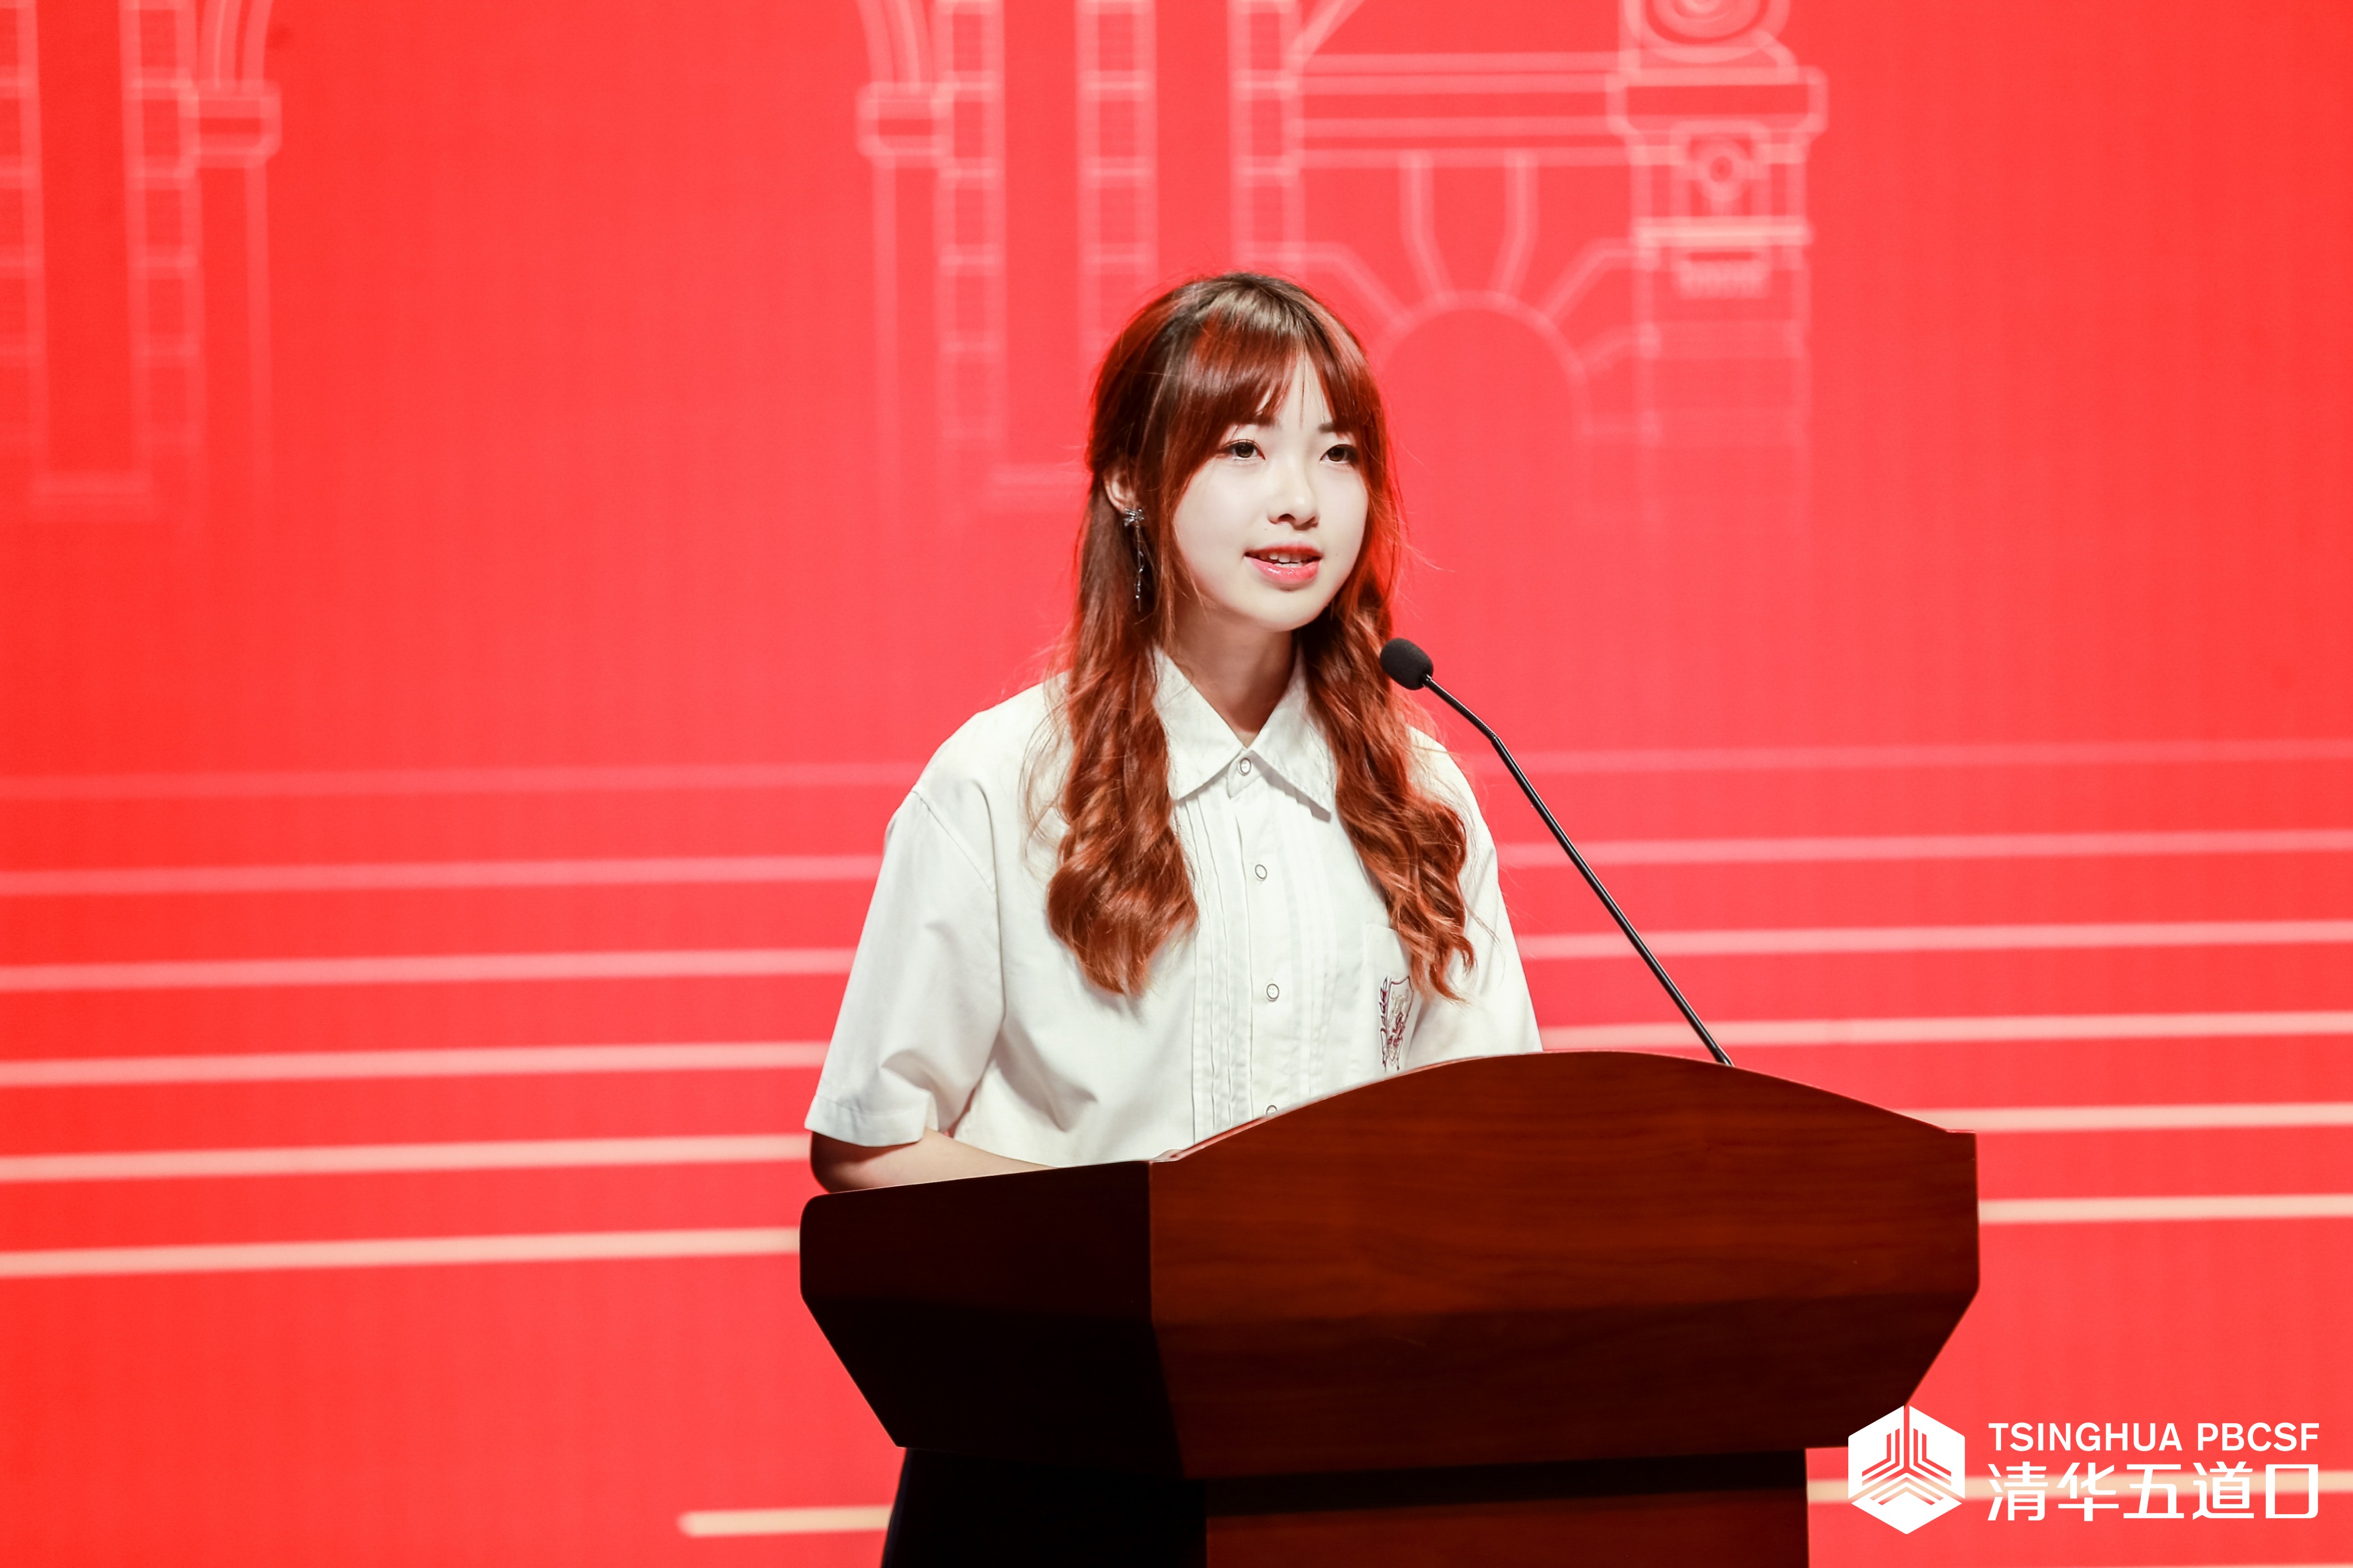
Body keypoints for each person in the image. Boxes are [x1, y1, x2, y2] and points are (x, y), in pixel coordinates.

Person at [806, 273, 1540, 1191]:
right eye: (1244, 448)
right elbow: (871, 1141)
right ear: (1128, 478)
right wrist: (1138, 1243)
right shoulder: (1002, 781)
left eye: (1338, 453)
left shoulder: (1418, 792)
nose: (1300, 501)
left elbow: (1492, 1142)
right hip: (1090, 1293)